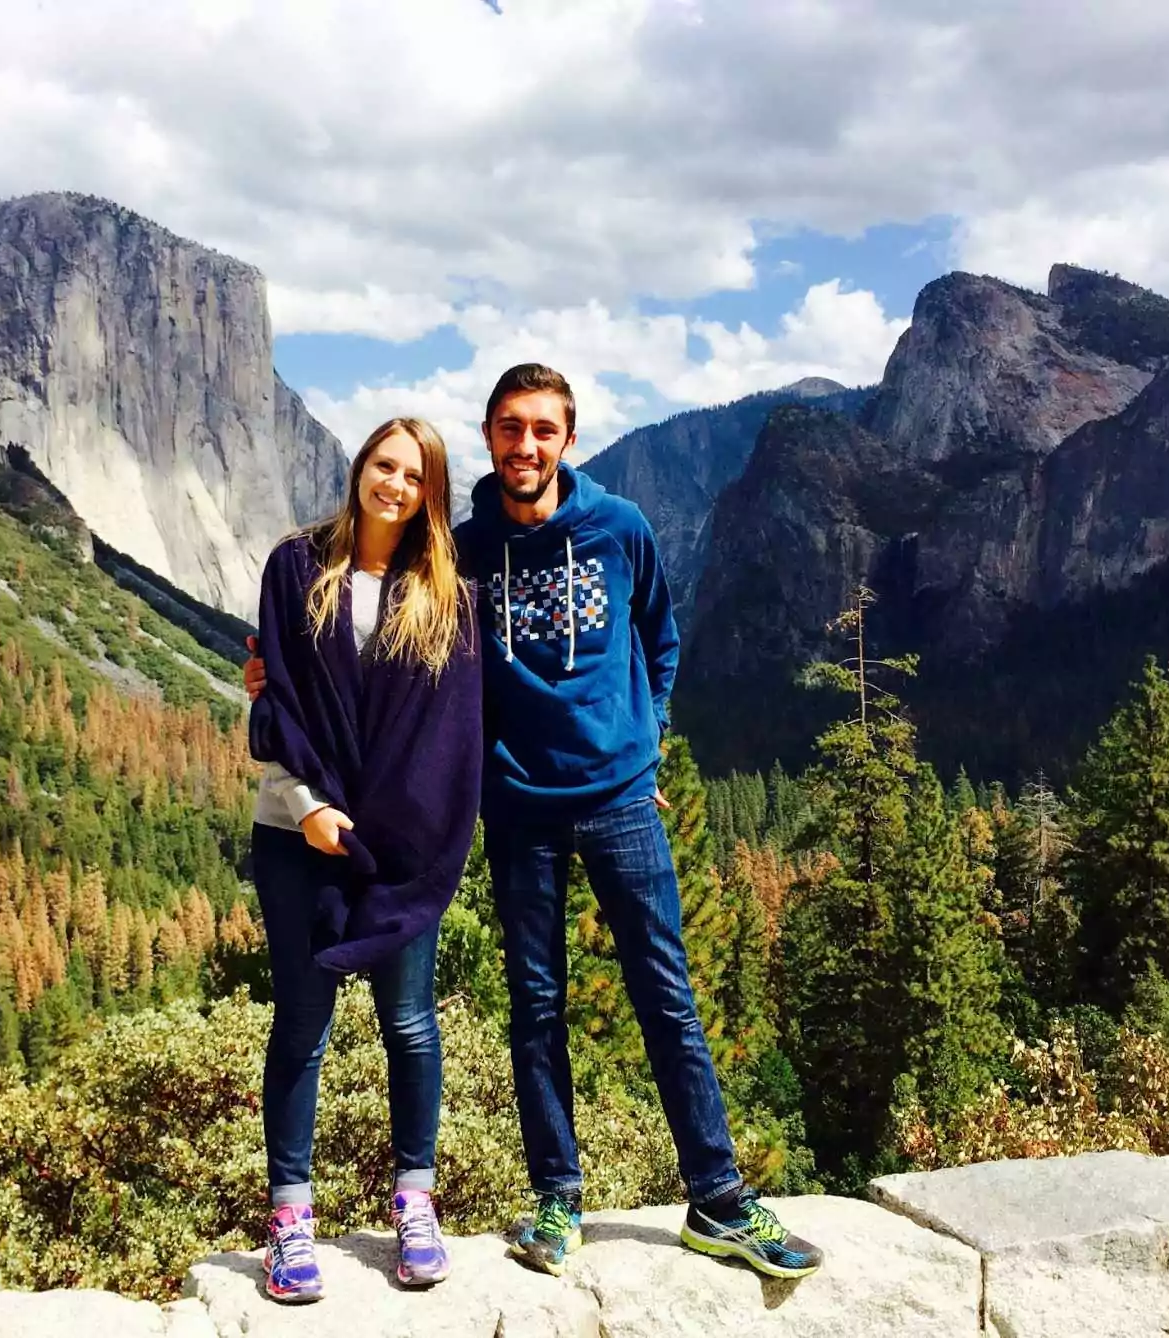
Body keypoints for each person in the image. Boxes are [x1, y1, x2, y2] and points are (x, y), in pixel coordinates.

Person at [247, 366, 823, 1282]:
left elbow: (660, 636)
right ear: (487, 438)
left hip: (621, 801)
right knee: (535, 1009)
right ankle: (557, 1202)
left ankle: (716, 1198)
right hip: (518, 811)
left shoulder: (618, 529)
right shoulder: (460, 555)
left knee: (665, 998)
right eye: (510, 429)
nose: (526, 446)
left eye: (543, 430)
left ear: (567, 439)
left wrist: (648, 740)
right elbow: (379, 666)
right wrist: (268, 685)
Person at [245, 416, 483, 1304]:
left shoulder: (447, 595)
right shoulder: (295, 568)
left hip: (399, 848)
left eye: (414, 475)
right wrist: (308, 808)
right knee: (301, 1029)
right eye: (383, 465)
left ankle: (414, 1205)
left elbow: (450, 734)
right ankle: (289, 1222)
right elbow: (275, 712)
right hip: (295, 835)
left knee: (409, 1023)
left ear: (431, 493)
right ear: (359, 470)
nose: (394, 484)